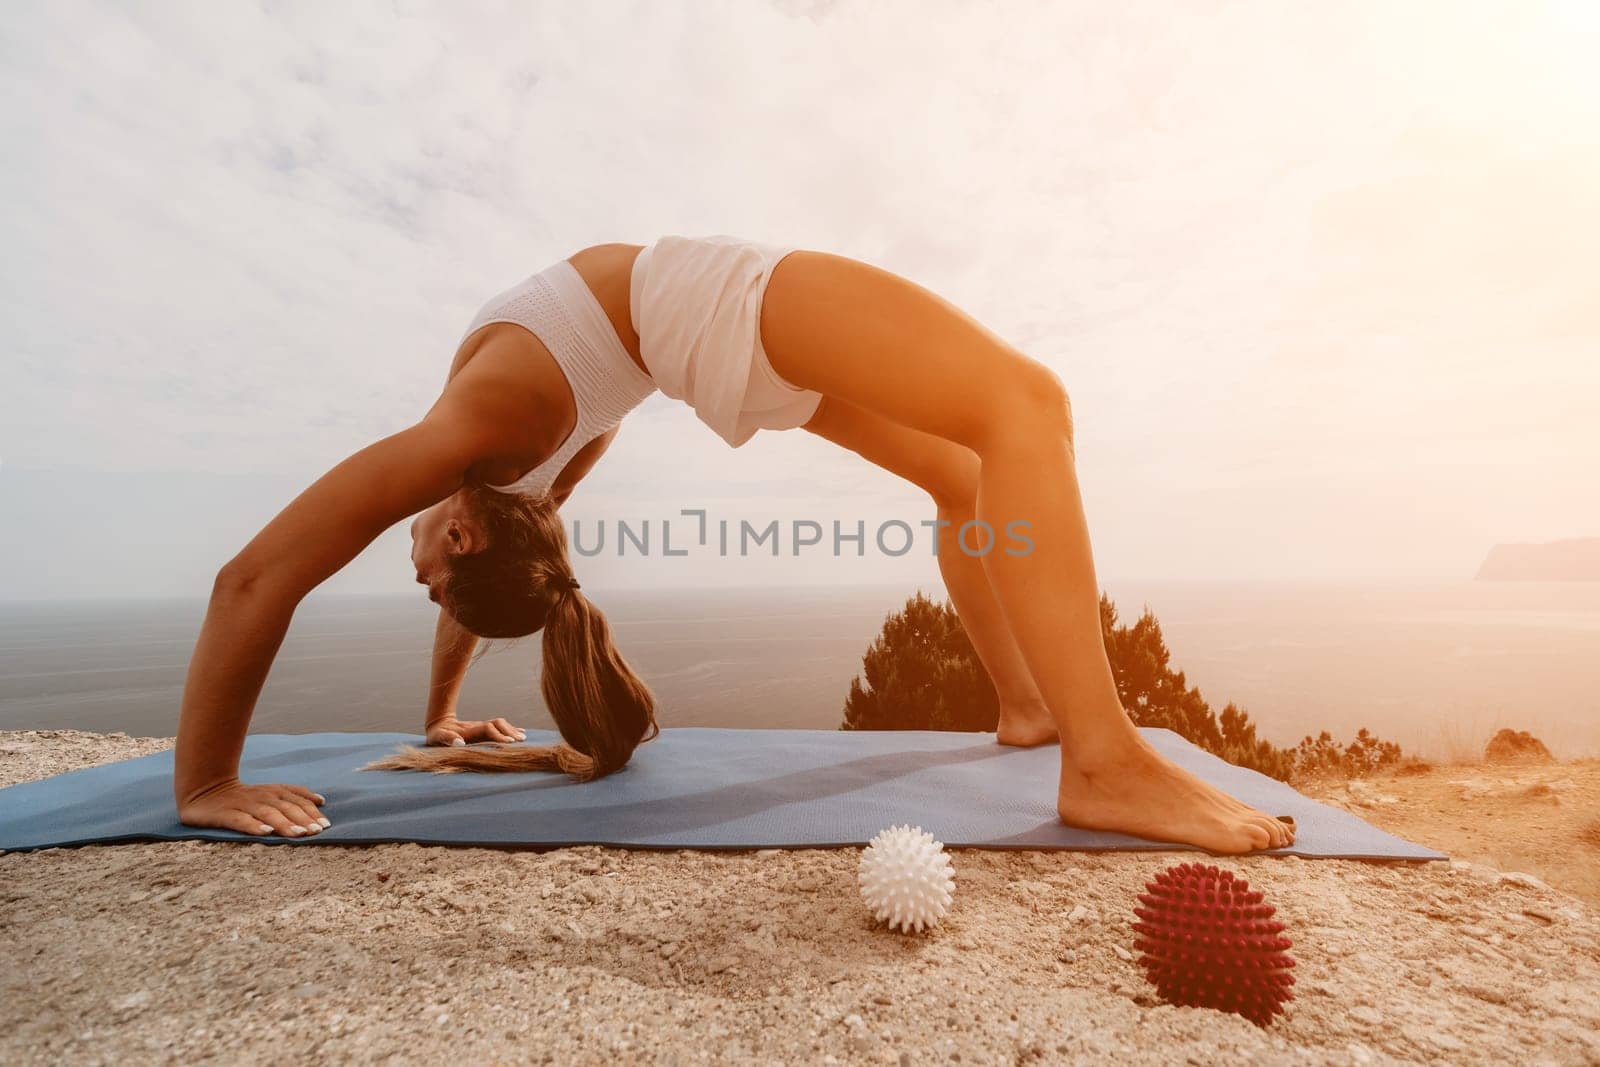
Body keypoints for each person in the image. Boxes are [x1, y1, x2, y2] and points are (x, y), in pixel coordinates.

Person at [174, 235, 1296, 854]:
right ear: (466, 529)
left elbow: (457, 583)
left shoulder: (503, 470)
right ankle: (1096, 756)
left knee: (966, 475)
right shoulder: (480, 455)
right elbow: (256, 578)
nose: (419, 580)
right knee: (1026, 405)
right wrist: (209, 779)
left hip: (695, 354)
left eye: (430, 589)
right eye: (430, 582)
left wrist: (435, 716)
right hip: (695, 315)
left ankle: (1029, 707)